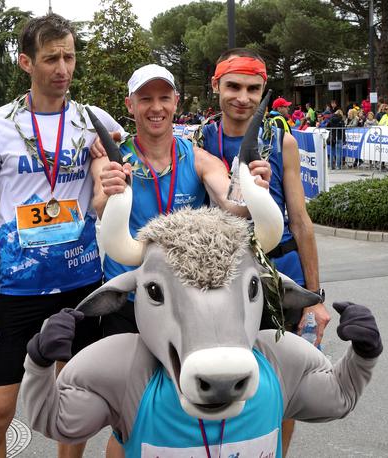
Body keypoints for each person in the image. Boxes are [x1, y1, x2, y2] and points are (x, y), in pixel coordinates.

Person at [0, 13, 124, 458]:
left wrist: (110, 166)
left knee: (74, 409)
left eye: (69, 57)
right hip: (20, 288)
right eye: (51, 58)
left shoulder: (95, 122)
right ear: (25, 62)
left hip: (82, 284)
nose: (63, 69)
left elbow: (140, 166)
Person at [92, 62, 272, 457]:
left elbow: (232, 204)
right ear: (130, 104)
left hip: (188, 311)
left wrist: (253, 187)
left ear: (176, 102)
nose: (155, 108)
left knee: (187, 411)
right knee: (126, 422)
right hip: (132, 302)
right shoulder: (114, 159)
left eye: (163, 98)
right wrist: (108, 189)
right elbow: (98, 205)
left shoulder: (200, 158)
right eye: (145, 99)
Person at [193, 48, 330, 457]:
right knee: (223, 380)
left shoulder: (280, 139)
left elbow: (301, 220)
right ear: (216, 87)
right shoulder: (199, 141)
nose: (243, 97)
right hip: (224, 281)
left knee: (281, 383)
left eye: (253, 89)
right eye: (233, 86)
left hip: (278, 275)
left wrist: (315, 298)